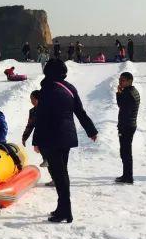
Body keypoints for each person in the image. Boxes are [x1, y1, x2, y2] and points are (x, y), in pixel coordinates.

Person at [33, 59, 98, 223]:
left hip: (51, 136)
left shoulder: (47, 89)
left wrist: (36, 140)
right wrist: (91, 130)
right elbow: (80, 112)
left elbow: (41, 117)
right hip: (67, 136)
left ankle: (65, 211)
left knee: (58, 174)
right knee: (62, 173)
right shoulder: (69, 88)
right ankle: (62, 208)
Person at [116, 71, 140, 184]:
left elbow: (122, 106)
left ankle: (128, 177)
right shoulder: (132, 91)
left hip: (126, 126)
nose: (120, 82)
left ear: (129, 81)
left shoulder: (128, 93)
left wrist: (119, 93)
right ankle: (126, 175)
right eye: (120, 79)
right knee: (125, 151)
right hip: (130, 124)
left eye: (123, 80)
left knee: (125, 152)